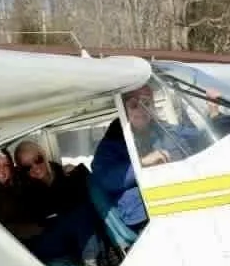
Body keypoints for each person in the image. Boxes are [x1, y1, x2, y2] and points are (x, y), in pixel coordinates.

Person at [92, 82, 219, 233]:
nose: (142, 109)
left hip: (179, 199)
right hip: (143, 214)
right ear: (124, 110)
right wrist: (142, 163)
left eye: (146, 103)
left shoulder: (165, 129)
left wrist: (214, 111)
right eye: (134, 105)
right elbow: (106, 178)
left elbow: (200, 139)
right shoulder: (112, 141)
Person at [13, 140, 105, 266]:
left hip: (79, 234)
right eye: (27, 167)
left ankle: (92, 265)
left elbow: (89, 201)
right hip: (50, 239)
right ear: (21, 169)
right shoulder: (25, 190)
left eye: (38, 160)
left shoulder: (66, 174)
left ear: (43, 155)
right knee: (76, 215)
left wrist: (79, 173)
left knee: (83, 212)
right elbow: (38, 221)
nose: (35, 168)